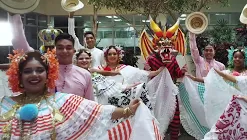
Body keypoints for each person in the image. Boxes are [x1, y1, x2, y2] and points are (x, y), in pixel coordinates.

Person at [2, 50, 162, 139]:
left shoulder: (62, 101)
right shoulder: (5, 105)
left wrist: (128, 110)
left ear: (48, 75)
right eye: (27, 71)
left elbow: (97, 110)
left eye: (40, 70)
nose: (34, 75)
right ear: (19, 76)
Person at [9, 14, 94, 100]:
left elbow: (91, 104)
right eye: (60, 48)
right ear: (55, 50)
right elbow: (20, 44)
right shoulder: (46, 71)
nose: (64, 51)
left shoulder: (85, 75)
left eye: (68, 48)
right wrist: (14, 13)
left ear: (74, 51)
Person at [75, 47, 161, 110]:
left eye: (114, 54)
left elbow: (141, 74)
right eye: (109, 54)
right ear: (105, 56)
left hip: (117, 98)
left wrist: (159, 71)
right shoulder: (97, 70)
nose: (112, 56)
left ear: (119, 56)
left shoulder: (125, 68)